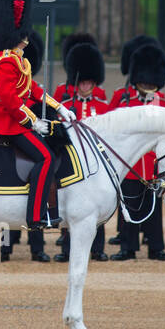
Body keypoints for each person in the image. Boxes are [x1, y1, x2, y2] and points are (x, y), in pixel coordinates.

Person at [0, 0, 74, 232]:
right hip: (3, 120)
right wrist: (33, 122)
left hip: (12, 117)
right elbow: (11, 101)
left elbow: (31, 89)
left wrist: (58, 106)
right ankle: (35, 216)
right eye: (24, 36)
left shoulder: (18, 60)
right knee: (46, 157)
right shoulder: (5, 61)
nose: (27, 39)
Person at [112, 41, 165, 262]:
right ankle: (127, 247)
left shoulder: (163, 103)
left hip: (153, 163)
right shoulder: (123, 99)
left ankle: (156, 247)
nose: (147, 85)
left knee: (154, 207)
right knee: (128, 204)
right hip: (130, 162)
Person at [53, 42, 111, 263]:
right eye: (82, 81)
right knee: (71, 205)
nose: (85, 85)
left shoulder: (102, 105)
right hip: (73, 160)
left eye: (89, 82)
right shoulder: (66, 104)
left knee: (98, 207)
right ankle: (67, 248)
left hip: (95, 162)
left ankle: (97, 248)